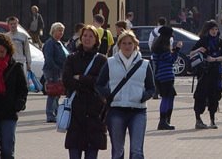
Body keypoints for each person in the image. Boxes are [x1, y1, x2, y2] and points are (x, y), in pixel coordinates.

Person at [96, 30, 155, 159]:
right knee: (117, 151)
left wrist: (143, 96)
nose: (127, 46)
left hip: (138, 111)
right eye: (124, 43)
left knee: (137, 151)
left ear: (135, 44)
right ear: (119, 45)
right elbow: (99, 84)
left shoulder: (144, 64)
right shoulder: (110, 62)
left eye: (130, 43)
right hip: (117, 110)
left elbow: (152, 88)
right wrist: (109, 95)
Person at [63, 25, 108, 158]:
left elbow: (101, 82)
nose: (87, 38)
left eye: (91, 36)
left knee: (92, 152)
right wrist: (88, 83)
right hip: (75, 109)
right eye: (85, 35)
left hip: (94, 111)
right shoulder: (72, 58)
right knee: (74, 151)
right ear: (80, 38)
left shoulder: (102, 60)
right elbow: (67, 81)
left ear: (96, 40)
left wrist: (81, 78)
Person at [190, 20, 222, 129]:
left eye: (216, 29)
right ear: (208, 30)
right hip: (204, 72)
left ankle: (212, 119)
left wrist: (218, 58)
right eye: (212, 30)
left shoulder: (220, 42)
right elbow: (192, 53)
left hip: (216, 71)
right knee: (200, 95)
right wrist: (200, 51)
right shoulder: (203, 40)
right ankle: (198, 119)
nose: (214, 32)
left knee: (215, 95)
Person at [151, 26, 177, 130]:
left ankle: (166, 120)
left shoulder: (156, 47)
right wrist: (177, 50)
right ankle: (163, 121)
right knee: (167, 97)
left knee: (170, 96)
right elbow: (171, 60)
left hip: (159, 75)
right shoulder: (164, 48)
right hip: (167, 75)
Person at [42, 22, 68, 123]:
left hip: (60, 70)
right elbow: (49, 59)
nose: (61, 33)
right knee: (52, 93)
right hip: (52, 71)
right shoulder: (50, 43)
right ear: (53, 31)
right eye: (59, 30)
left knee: (57, 93)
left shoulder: (59, 43)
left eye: (62, 31)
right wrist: (57, 69)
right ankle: (50, 114)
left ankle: (56, 112)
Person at [5, 16, 31, 81]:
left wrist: (29, 63)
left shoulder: (23, 36)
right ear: (8, 25)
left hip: (21, 62)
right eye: (11, 24)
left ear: (17, 24)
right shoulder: (5, 37)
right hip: (9, 63)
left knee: (21, 81)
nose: (13, 25)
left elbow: (27, 50)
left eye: (14, 23)